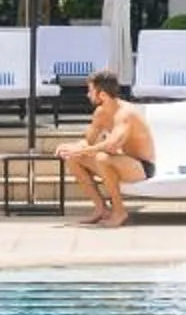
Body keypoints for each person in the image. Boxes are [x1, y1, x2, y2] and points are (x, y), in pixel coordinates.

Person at [61, 70, 156, 227]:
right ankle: (101, 209)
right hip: (122, 162)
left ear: (102, 95)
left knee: (102, 158)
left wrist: (81, 150)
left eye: (90, 91)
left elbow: (112, 144)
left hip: (142, 167)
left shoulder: (125, 114)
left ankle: (119, 211)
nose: (87, 94)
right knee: (72, 158)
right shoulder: (100, 113)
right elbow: (88, 141)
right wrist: (71, 148)